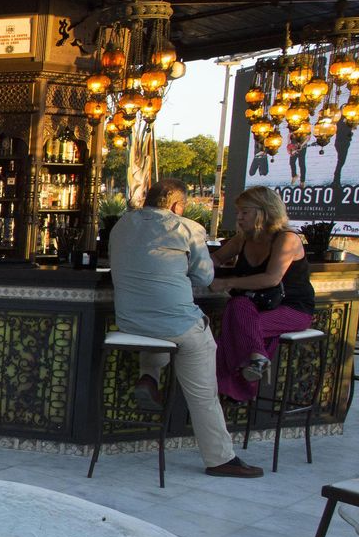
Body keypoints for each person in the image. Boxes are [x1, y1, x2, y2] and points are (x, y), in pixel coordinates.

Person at [109, 178, 261, 478]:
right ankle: (220, 459)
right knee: (202, 385)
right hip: (175, 323)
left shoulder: (121, 225)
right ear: (177, 206)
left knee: (158, 332)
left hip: (129, 323)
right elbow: (205, 277)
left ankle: (149, 376)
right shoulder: (187, 228)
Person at [209, 185, 315, 403]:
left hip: (293, 309)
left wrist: (226, 282)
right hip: (254, 308)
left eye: (244, 212)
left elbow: (272, 278)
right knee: (237, 306)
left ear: (263, 212)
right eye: (238, 212)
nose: (239, 218)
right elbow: (217, 258)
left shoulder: (287, 239)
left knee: (236, 325)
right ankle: (256, 359)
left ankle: (234, 387)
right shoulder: (243, 238)